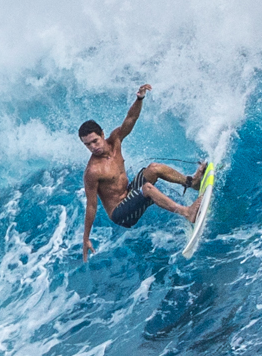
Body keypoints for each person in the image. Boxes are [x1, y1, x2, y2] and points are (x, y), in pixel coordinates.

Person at [79, 84, 208, 260]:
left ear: (102, 134)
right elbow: (91, 205)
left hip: (129, 193)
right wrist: (86, 237)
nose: (93, 147)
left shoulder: (115, 139)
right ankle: (187, 212)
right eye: (87, 144)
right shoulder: (93, 171)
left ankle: (192, 183)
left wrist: (139, 98)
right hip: (121, 213)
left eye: (95, 141)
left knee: (154, 168)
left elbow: (131, 118)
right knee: (146, 188)